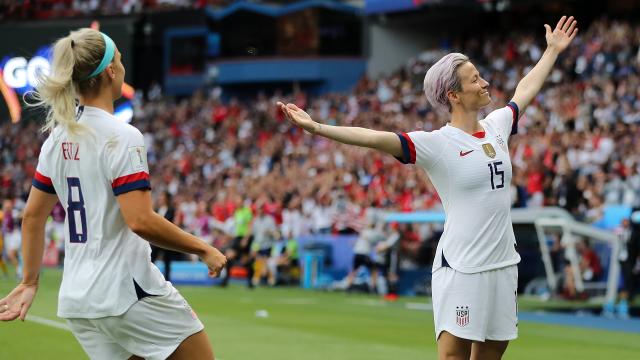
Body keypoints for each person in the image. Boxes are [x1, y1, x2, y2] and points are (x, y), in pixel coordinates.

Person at [279, 15, 577, 360]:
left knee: (492, 353)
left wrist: (552, 52)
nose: (484, 83)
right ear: (454, 95)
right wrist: (317, 127)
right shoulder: (437, 143)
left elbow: (524, 91)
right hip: (462, 266)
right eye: (474, 79)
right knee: (453, 356)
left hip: (503, 264)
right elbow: (376, 139)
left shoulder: (496, 126)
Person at [0, 28, 227, 360]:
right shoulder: (122, 135)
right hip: (126, 291)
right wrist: (203, 248)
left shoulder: (57, 139)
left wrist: (30, 281)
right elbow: (140, 220)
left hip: (80, 300)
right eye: (119, 59)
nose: (122, 65)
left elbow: (33, 216)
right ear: (110, 71)